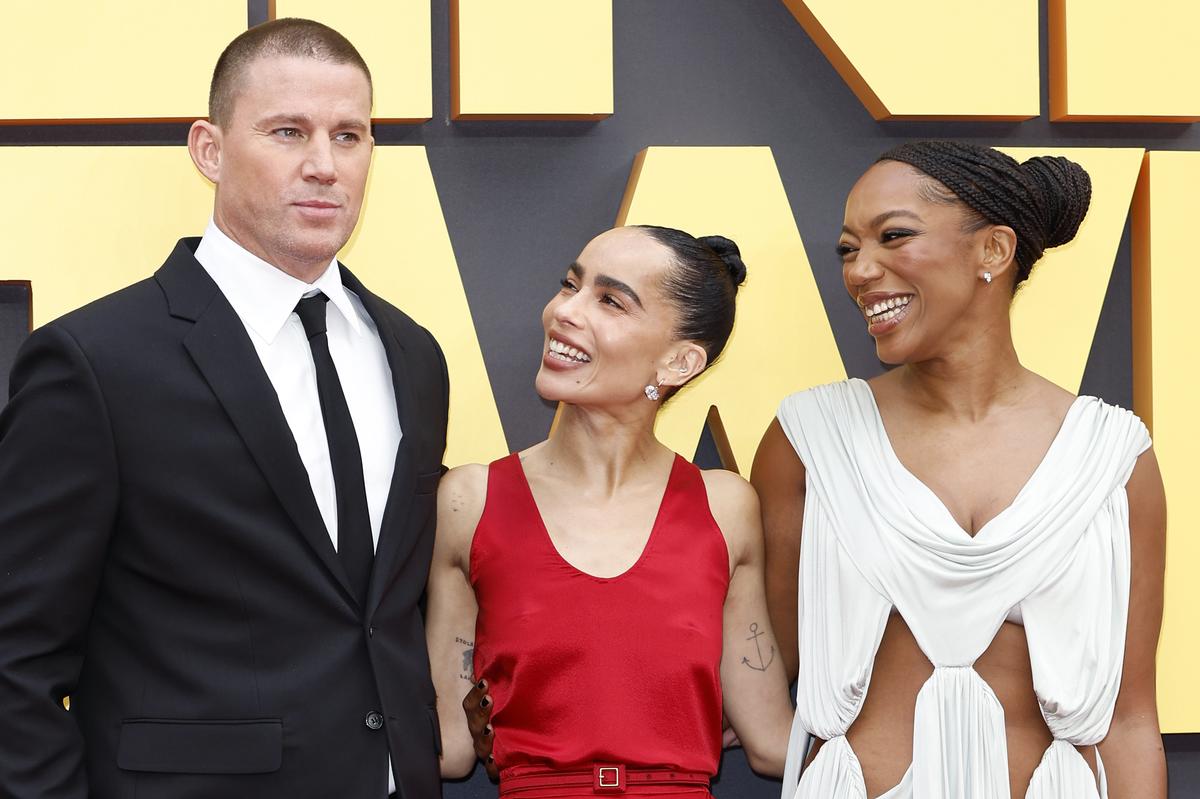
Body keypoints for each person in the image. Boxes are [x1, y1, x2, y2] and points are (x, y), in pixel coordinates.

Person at [0, 19, 448, 799]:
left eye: (350, 135)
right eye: (288, 131)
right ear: (209, 148)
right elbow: (14, 659)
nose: (324, 166)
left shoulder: (412, 355)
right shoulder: (96, 362)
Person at [752, 141, 1166, 798]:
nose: (860, 269)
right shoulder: (809, 442)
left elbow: (1131, 716)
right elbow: (769, 667)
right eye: (848, 249)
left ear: (993, 252)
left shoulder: (1113, 456)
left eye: (893, 236)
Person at [425, 225, 794, 796]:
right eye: (570, 285)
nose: (564, 311)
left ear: (678, 362)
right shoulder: (470, 500)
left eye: (610, 301)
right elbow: (450, 747)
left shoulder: (725, 507)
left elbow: (772, 742)